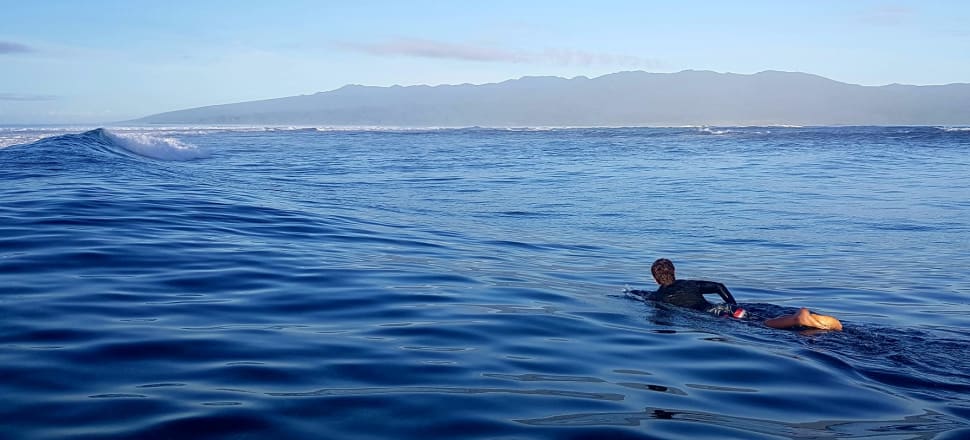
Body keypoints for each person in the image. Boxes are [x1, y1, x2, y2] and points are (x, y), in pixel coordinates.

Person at [635, 258, 842, 331]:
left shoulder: (656, 298)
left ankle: (800, 317)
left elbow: (645, 298)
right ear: (674, 272)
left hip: (714, 315)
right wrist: (733, 305)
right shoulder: (690, 284)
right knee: (762, 320)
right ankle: (806, 320)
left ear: (655, 279)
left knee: (763, 326)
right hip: (727, 309)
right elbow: (719, 286)